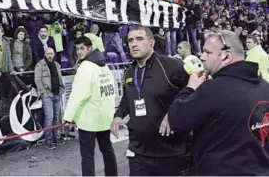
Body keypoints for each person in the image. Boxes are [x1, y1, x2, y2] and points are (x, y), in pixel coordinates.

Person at [167, 31, 269, 175]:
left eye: (207, 52)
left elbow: (176, 120)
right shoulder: (265, 86)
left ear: (226, 56)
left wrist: (190, 88)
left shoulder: (213, 89)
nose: (201, 57)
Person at [111, 26, 190, 176]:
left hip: (171, 152)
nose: (134, 44)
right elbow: (128, 97)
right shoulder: (129, 72)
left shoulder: (171, 66)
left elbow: (192, 91)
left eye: (139, 39)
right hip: (139, 152)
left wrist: (174, 113)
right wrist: (118, 115)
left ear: (151, 43)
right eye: (130, 40)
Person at [63, 36, 117, 176]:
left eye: (82, 48)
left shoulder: (85, 67)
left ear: (89, 49)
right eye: (77, 49)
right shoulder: (104, 65)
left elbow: (78, 95)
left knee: (87, 156)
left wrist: (68, 117)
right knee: (107, 151)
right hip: (104, 118)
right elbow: (111, 91)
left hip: (89, 120)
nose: (79, 52)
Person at [34, 47, 65, 150]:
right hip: (47, 95)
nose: (50, 55)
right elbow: (37, 80)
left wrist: (61, 91)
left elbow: (60, 79)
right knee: (49, 117)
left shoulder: (56, 65)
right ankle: (49, 140)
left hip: (57, 94)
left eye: (51, 54)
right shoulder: (40, 64)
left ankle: (56, 137)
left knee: (57, 117)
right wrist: (44, 93)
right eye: (48, 54)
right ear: (45, 54)